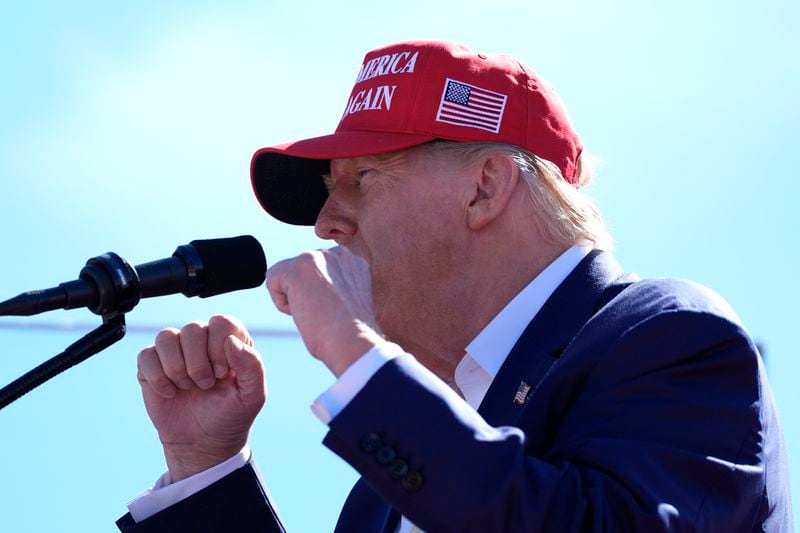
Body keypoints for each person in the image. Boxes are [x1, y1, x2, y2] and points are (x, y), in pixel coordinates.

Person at [116, 40, 793, 532]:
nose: (327, 223)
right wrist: (204, 467)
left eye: (364, 179)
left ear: (485, 188)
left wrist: (351, 349)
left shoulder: (668, 335)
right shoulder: (385, 487)